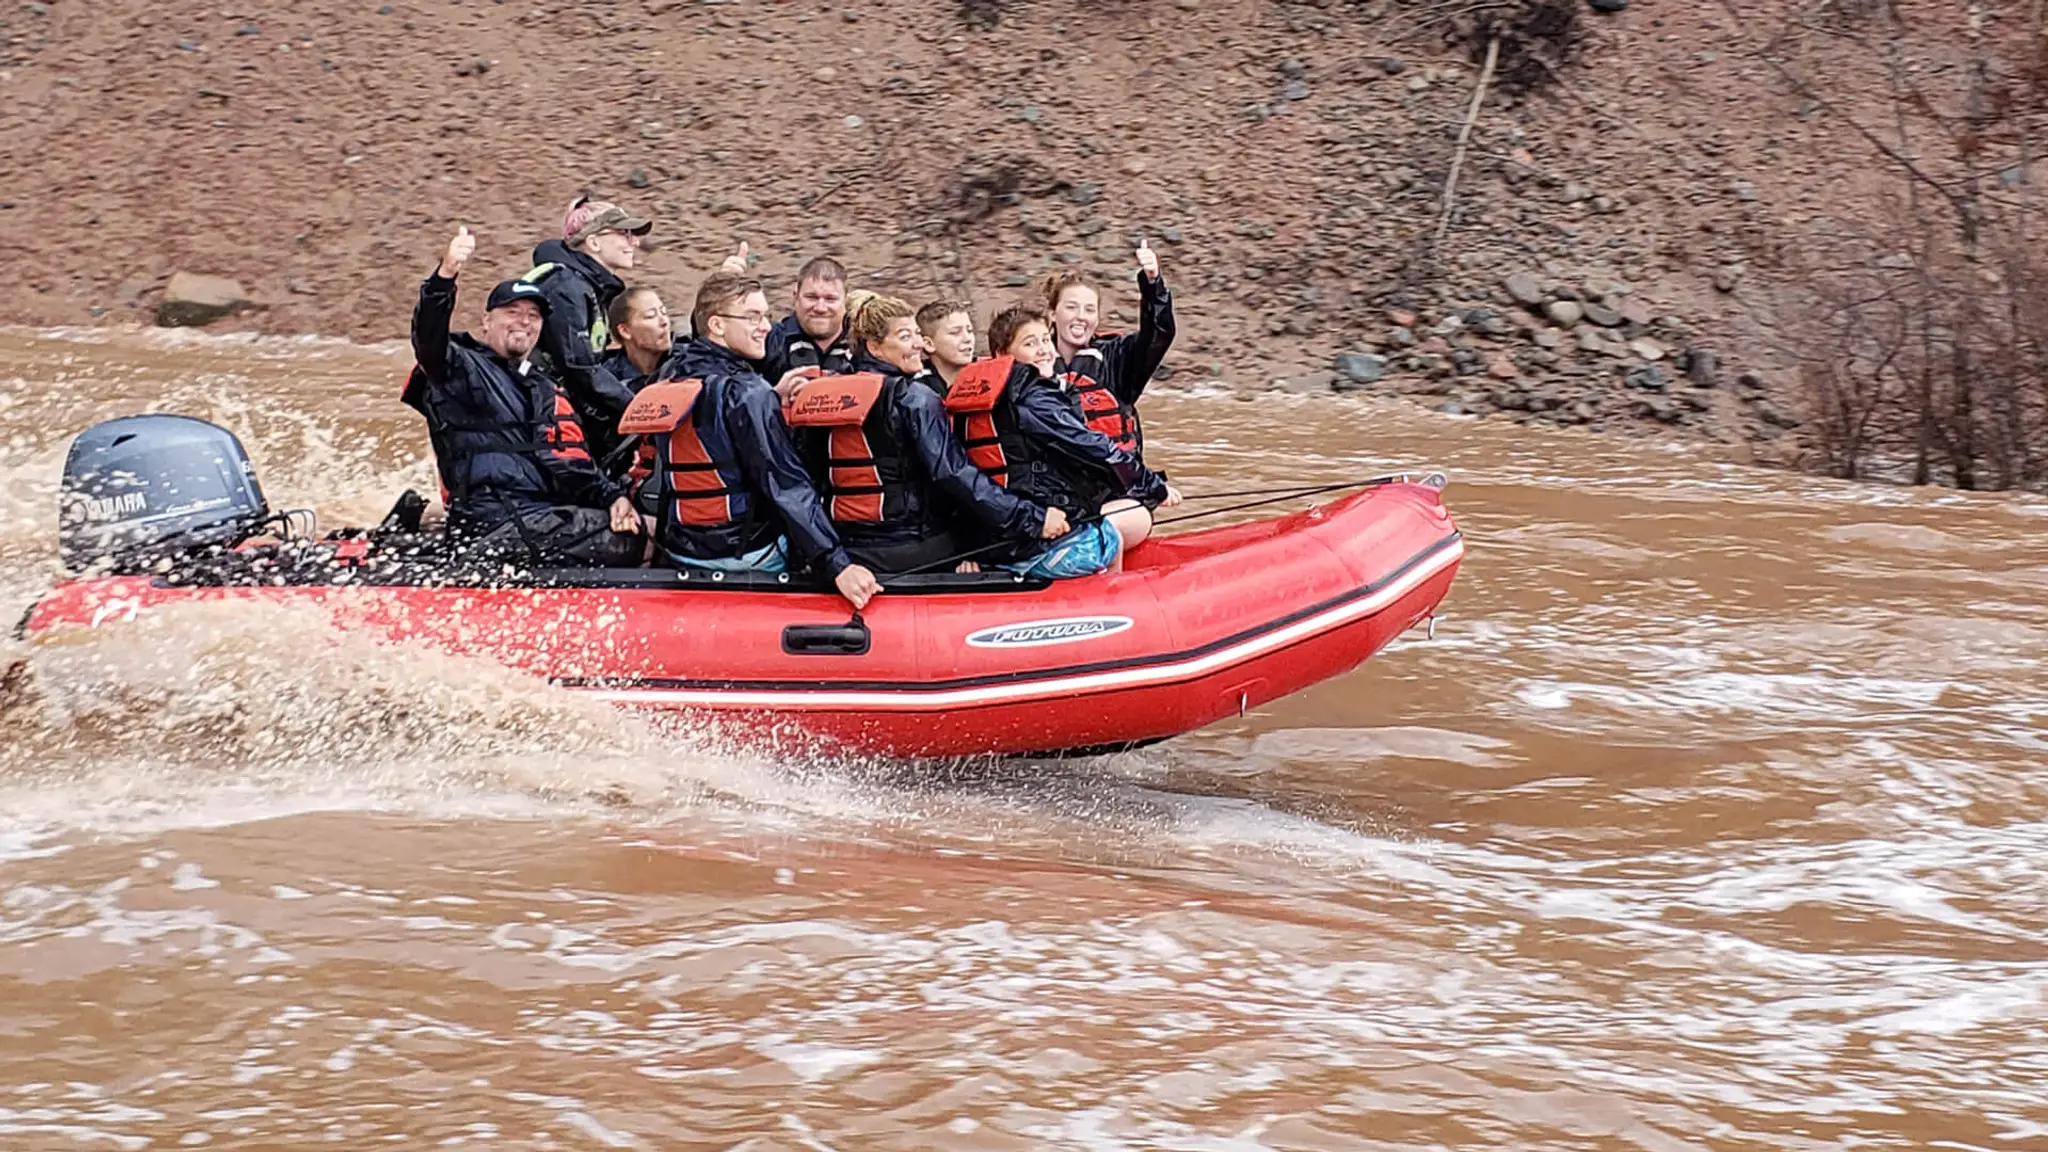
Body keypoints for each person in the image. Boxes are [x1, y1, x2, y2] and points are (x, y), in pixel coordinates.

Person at [624, 272, 881, 609]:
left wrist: (771, 399)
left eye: (766, 316)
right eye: (753, 317)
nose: (766, 328)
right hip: (747, 554)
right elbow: (785, 485)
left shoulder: (669, 375)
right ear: (717, 325)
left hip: (683, 548)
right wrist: (837, 564)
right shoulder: (748, 393)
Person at [402, 226, 643, 567]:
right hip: (496, 522)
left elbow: (566, 463)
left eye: (533, 316)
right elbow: (428, 336)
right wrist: (445, 276)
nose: (524, 322)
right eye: (512, 312)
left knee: (628, 517)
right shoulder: (462, 368)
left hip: (533, 517)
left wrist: (612, 497)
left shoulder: (539, 384)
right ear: (487, 320)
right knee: (641, 538)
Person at [785, 291, 1065, 573]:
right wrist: (1031, 518)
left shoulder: (821, 398)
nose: (918, 344)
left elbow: (805, 483)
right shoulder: (916, 398)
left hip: (848, 549)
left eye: (918, 334)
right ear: (874, 347)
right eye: (906, 336)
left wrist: (819, 557)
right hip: (915, 549)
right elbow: (954, 474)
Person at [943, 305, 1173, 577]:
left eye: (1045, 340)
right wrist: (1153, 486)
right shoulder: (1033, 397)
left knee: (1116, 511)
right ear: (1002, 355)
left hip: (993, 543)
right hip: (1034, 545)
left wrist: (967, 549)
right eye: (1030, 343)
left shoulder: (972, 397)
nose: (1043, 350)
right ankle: (1112, 597)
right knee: (1110, 539)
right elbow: (1094, 449)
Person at [525, 196, 654, 457]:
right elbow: (579, 367)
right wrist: (637, 410)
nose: (635, 242)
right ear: (593, 242)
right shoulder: (566, 287)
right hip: (543, 419)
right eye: (624, 234)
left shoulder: (582, 285)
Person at [1037, 240, 1175, 460]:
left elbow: (1158, 334)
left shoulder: (1118, 359)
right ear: (1053, 314)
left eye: (1089, 310)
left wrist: (1153, 283)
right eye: (1071, 307)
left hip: (1111, 477)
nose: (1081, 316)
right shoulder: (1032, 361)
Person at [757, 256, 853, 380]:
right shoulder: (767, 340)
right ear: (795, 297)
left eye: (830, 299)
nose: (820, 308)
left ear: (846, 302)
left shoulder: (867, 345)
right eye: (811, 297)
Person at [599, 286, 677, 392]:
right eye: (650, 316)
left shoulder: (687, 363)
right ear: (625, 331)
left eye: (664, 312)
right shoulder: (606, 381)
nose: (664, 322)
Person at [912, 299, 977, 398]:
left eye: (970, 330)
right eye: (955, 333)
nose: (967, 339)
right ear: (928, 344)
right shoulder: (914, 387)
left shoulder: (989, 376)